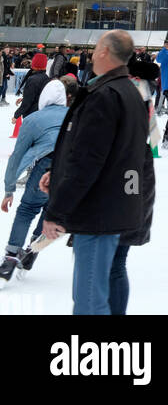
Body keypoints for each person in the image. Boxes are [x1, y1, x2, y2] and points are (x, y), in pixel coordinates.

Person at [38, 31, 147, 315]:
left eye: (97, 46)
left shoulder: (106, 95)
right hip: (111, 208)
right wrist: (57, 171)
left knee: (89, 300)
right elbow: (104, 153)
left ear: (103, 52)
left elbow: (88, 161)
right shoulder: (127, 91)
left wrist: (56, 212)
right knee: (96, 293)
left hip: (99, 213)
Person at [0, 76, 77, 281]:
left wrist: (9, 190)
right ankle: (33, 250)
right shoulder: (76, 116)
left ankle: (10, 258)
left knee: (27, 209)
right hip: (72, 171)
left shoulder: (34, 119)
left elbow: (17, 156)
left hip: (47, 166)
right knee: (51, 210)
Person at [109, 51, 160, 315]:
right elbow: (154, 137)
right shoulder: (143, 94)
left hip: (125, 185)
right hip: (134, 181)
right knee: (115, 262)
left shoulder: (128, 95)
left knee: (113, 263)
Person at [15, 51, 50, 120]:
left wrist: (17, 114)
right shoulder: (47, 78)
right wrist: (23, 98)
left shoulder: (33, 79)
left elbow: (28, 101)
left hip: (31, 115)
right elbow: (37, 95)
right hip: (41, 113)